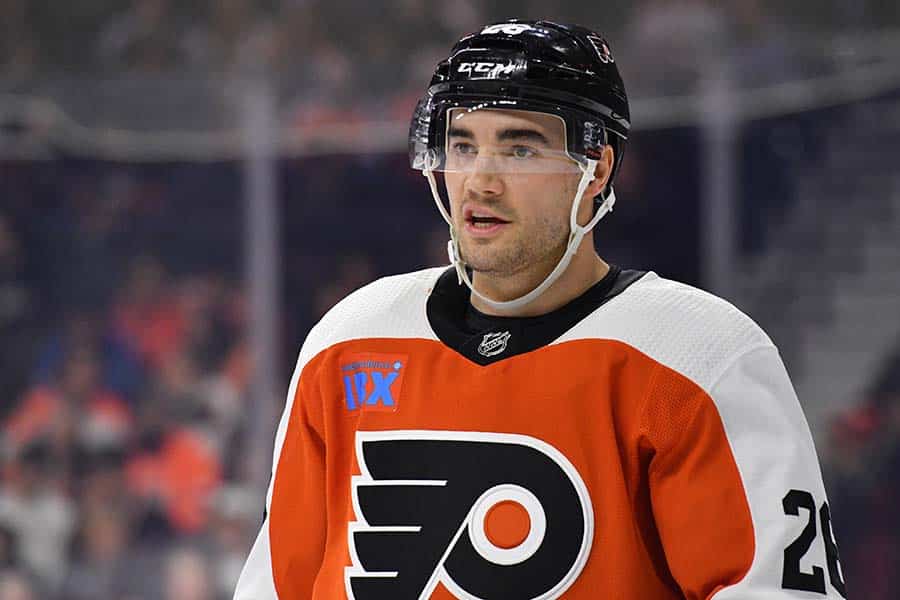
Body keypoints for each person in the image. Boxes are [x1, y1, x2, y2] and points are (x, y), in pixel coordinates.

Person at [234, 20, 847, 599]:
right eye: (462, 145)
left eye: (520, 149)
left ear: (597, 168)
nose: (480, 181)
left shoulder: (698, 357)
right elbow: (279, 584)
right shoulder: (348, 342)